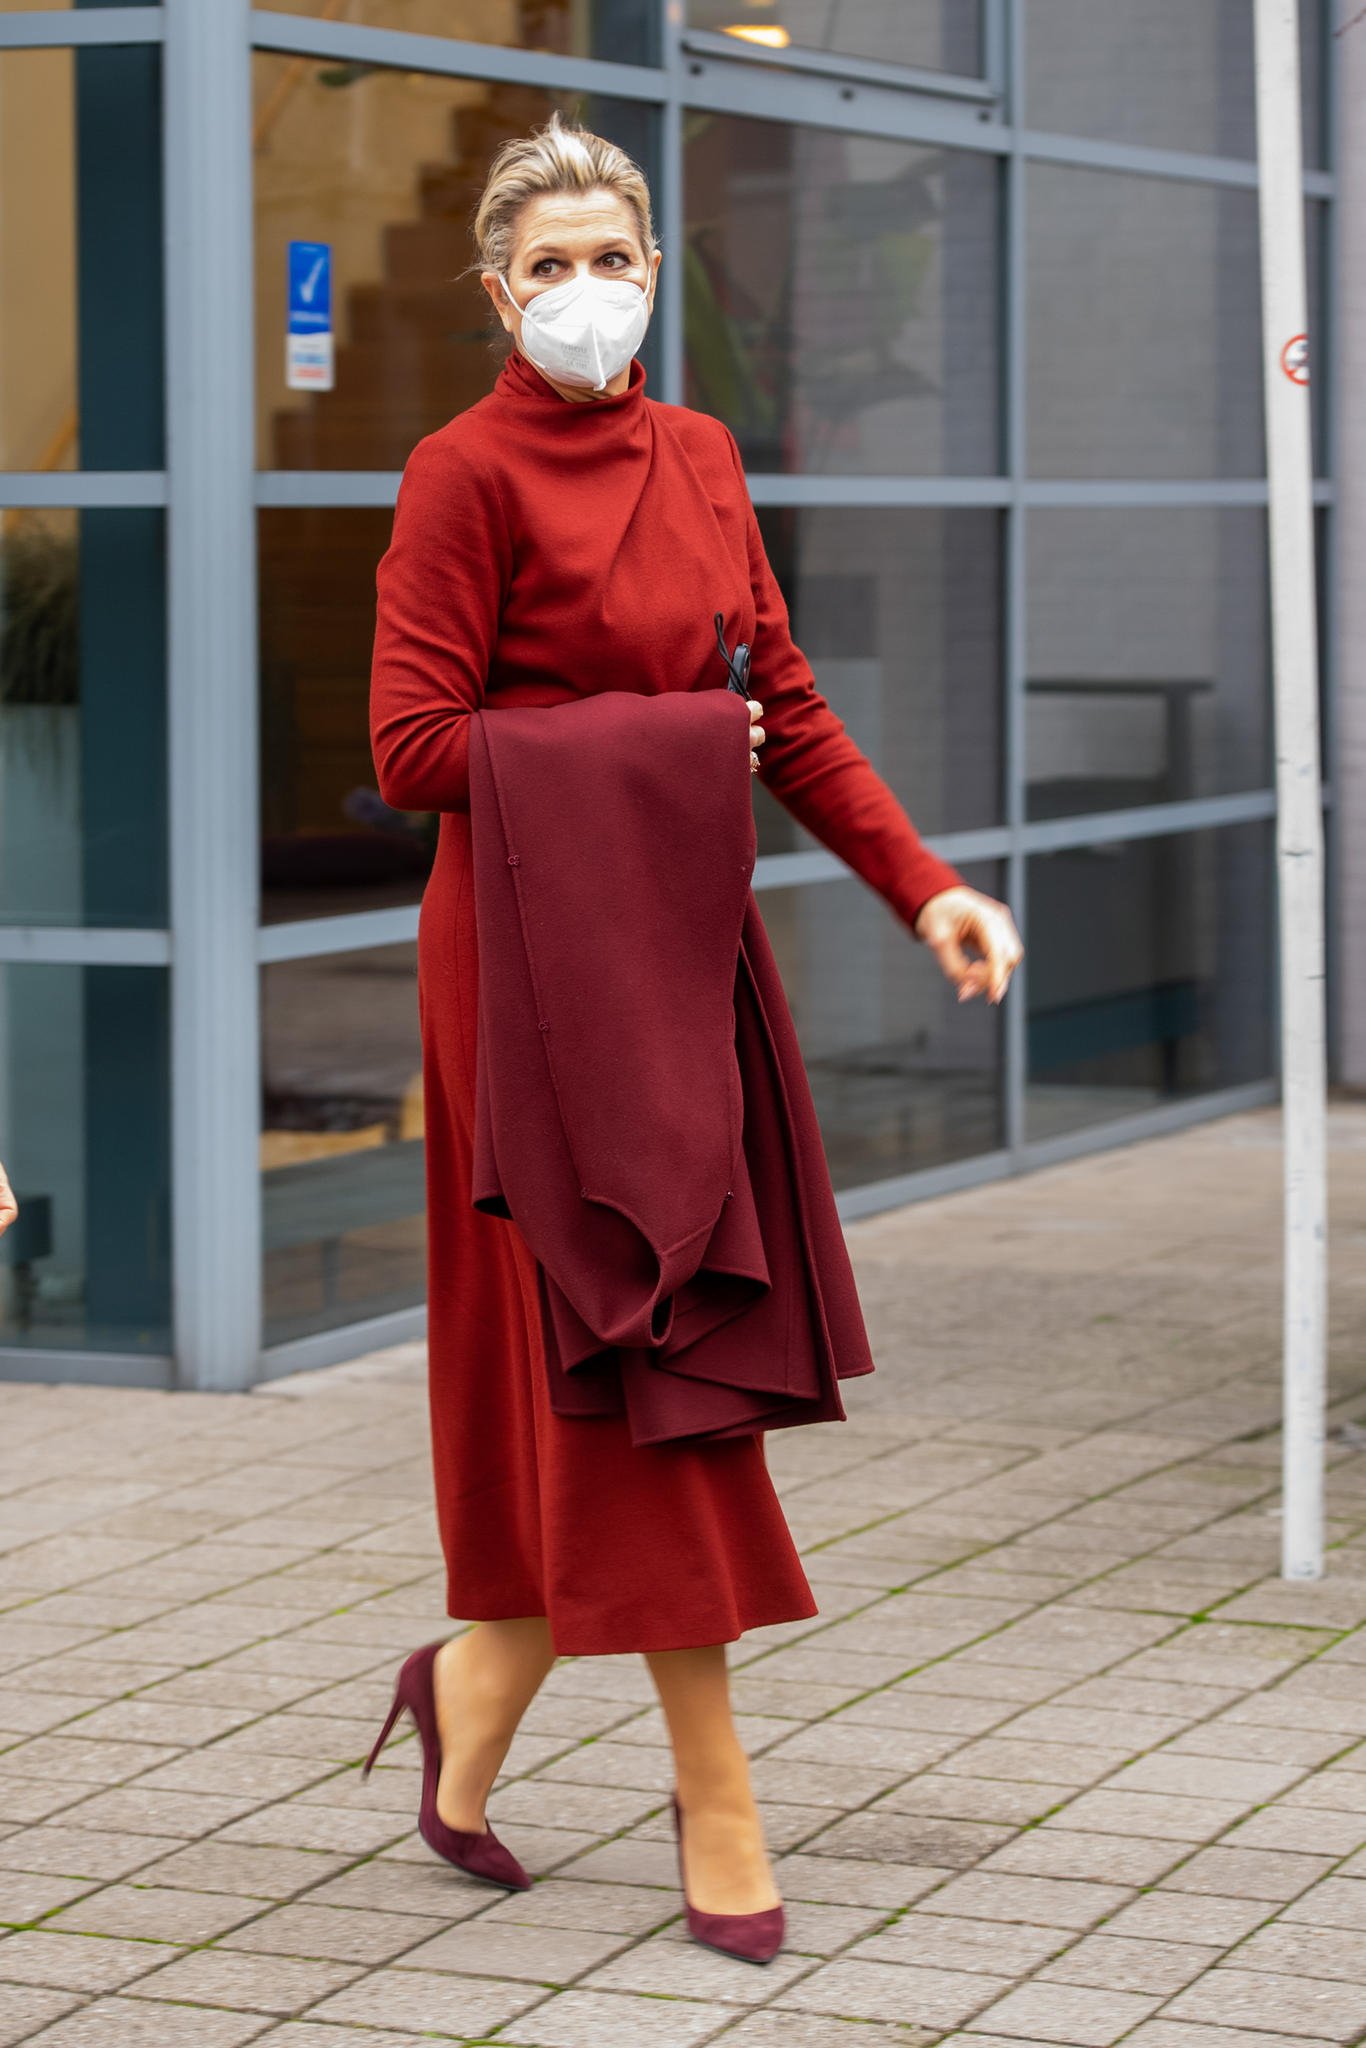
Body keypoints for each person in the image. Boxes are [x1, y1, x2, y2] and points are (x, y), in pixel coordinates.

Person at [366, 109, 1023, 1959]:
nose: (585, 289)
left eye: (612, 259)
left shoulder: (704, 455)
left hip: (675, 951)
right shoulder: (457, 474)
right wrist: (663, 744)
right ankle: (715, 1792)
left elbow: (777, 702)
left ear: (655, 274)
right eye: (549, 265)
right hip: (521, 977)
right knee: (632, 1352)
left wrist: (921, 885)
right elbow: (413, 747)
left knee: (631, 1357)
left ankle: (472, 1689)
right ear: (498, 290)